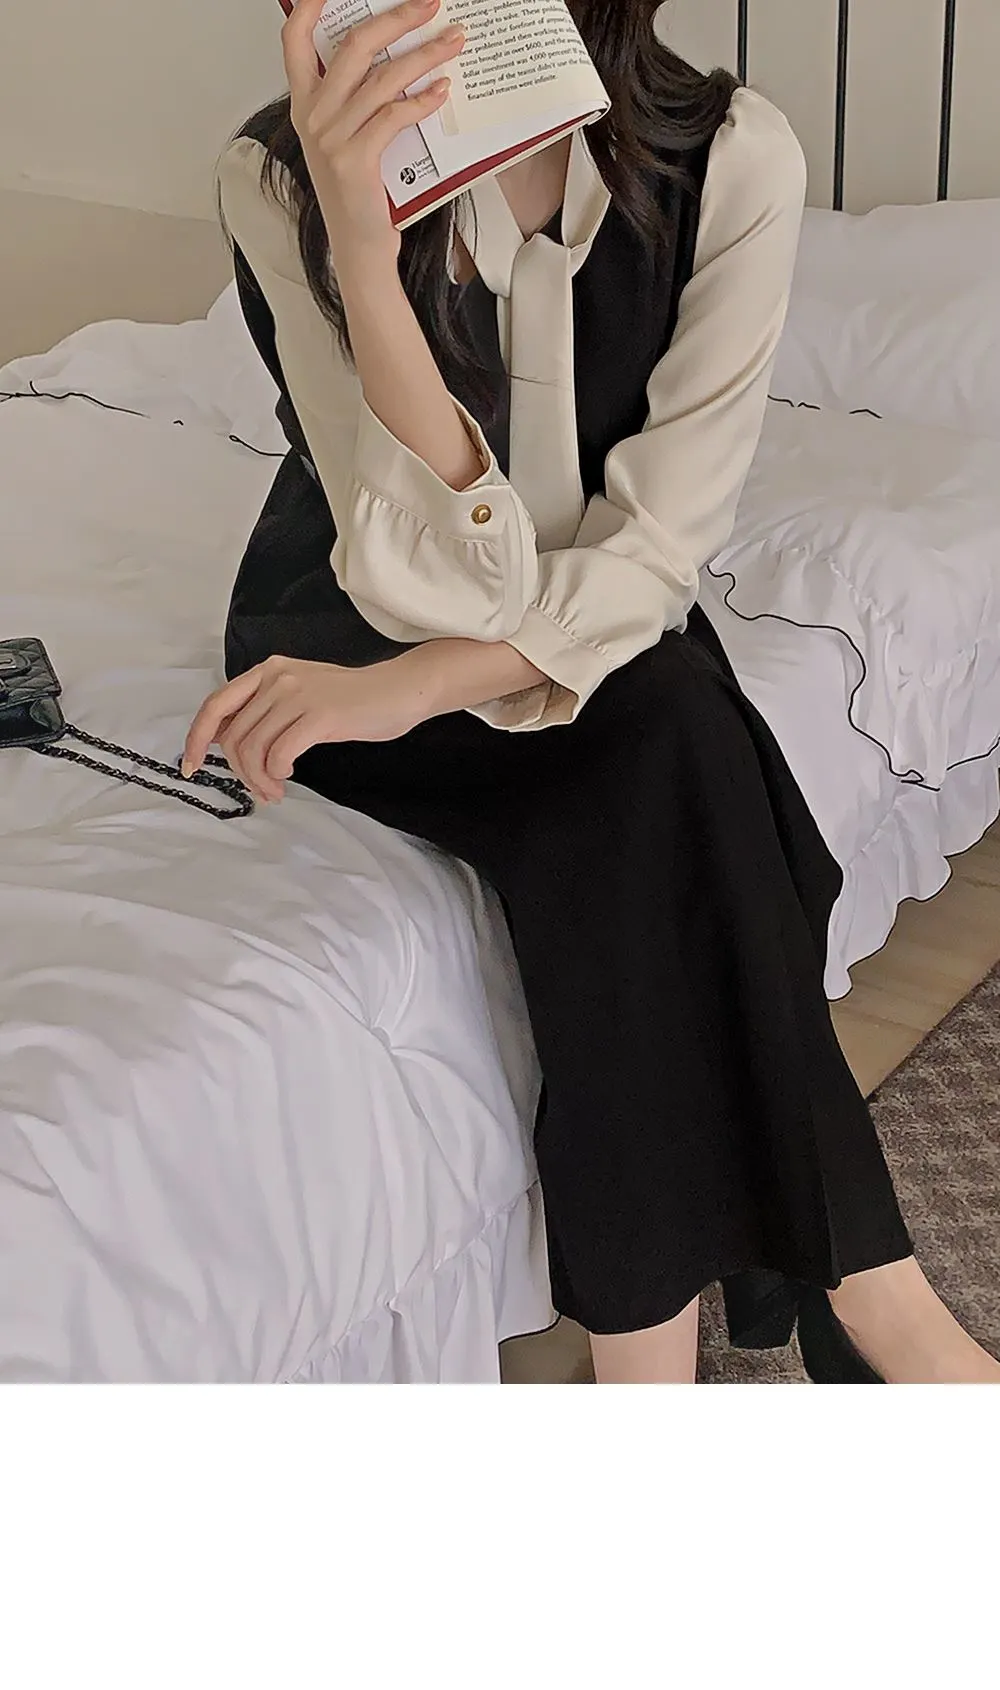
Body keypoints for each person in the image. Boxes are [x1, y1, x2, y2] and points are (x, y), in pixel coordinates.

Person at [185, 0, 999, 1384]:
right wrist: (364, 251)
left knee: (655, 740)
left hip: (532, 654)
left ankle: (664, 1377)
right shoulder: (276, 177)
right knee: (674, 738)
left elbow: (654, 554)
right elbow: (418, 570)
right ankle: (877, 1307)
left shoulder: (733, 161)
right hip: (344, 634)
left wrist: (432, 686)